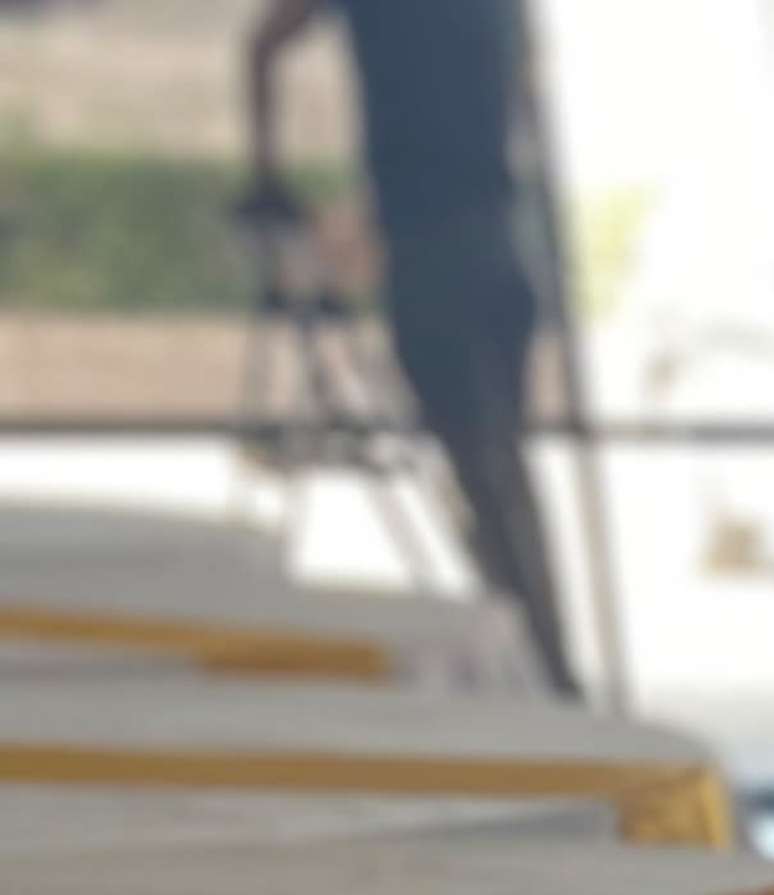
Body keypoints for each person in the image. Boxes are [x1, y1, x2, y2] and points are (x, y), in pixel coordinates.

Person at [243, 0, 577, 691]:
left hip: (438, 250)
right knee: (497, 469)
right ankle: (545, 657)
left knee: (482, 470)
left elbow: (264, 47)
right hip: (495, 237)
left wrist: (270, 174)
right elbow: (512, 87)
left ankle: (543, 663)